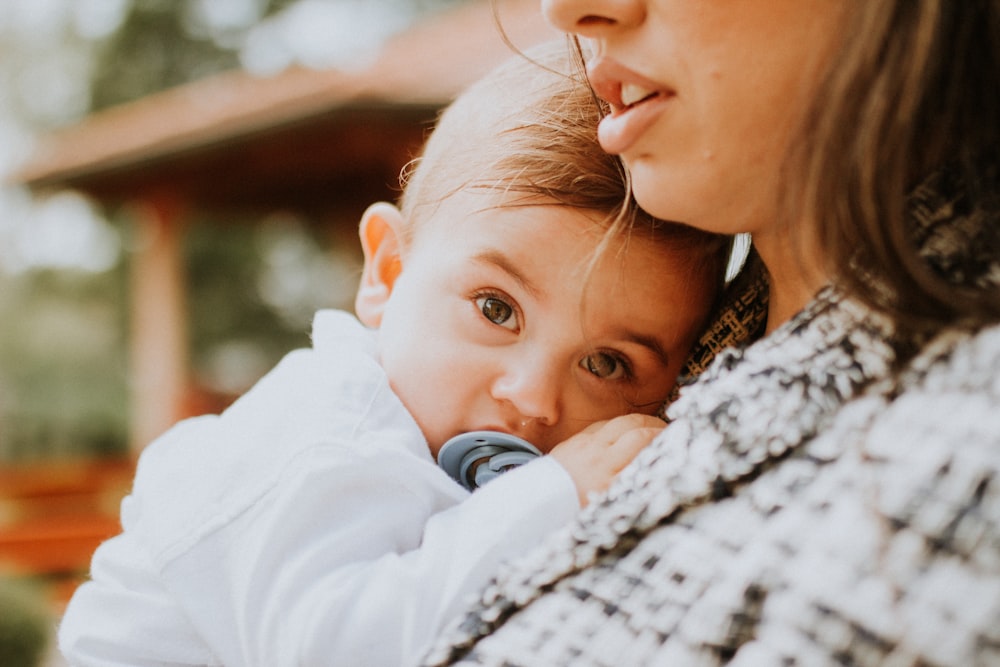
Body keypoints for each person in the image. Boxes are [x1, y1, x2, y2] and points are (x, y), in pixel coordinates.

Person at [58, 41, 731, 667]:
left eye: (606, 363)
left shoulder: (428, 441)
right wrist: (552, 496)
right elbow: (336, 649)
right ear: (387, 270)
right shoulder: (326, 433)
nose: (532, 394)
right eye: (496, 308)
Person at [422, 2, 1000, 665]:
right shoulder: (712, 354)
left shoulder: (963, 454)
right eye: (496, 308)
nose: (568, 11)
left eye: (607, 361)